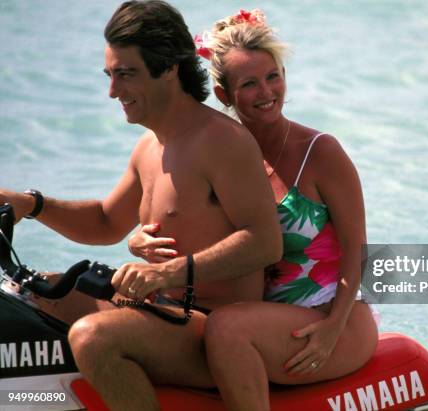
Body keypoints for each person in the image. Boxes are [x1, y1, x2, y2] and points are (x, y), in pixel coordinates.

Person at [0, 1, 281, 410]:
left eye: (125, 75)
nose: (113, 91)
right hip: (161, 311)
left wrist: (166, 273)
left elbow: (264, 242)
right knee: (29, 295)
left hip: (213, 329)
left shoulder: (223, 141)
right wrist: (30, 204)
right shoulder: (151, 145)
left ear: (168, 67)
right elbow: (104, 222)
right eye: (110, 75)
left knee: (93, 338)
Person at [128, 9, 378, 410]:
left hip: (331, 316)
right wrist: (140, 238)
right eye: (249, 84)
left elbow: (359, 251)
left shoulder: (321, 152)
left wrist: (333, 328)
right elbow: (188, 223)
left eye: (273, 76)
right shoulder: (222, 154)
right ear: (225, 95)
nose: (266, 92)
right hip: (262, 319)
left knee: (227, 328)